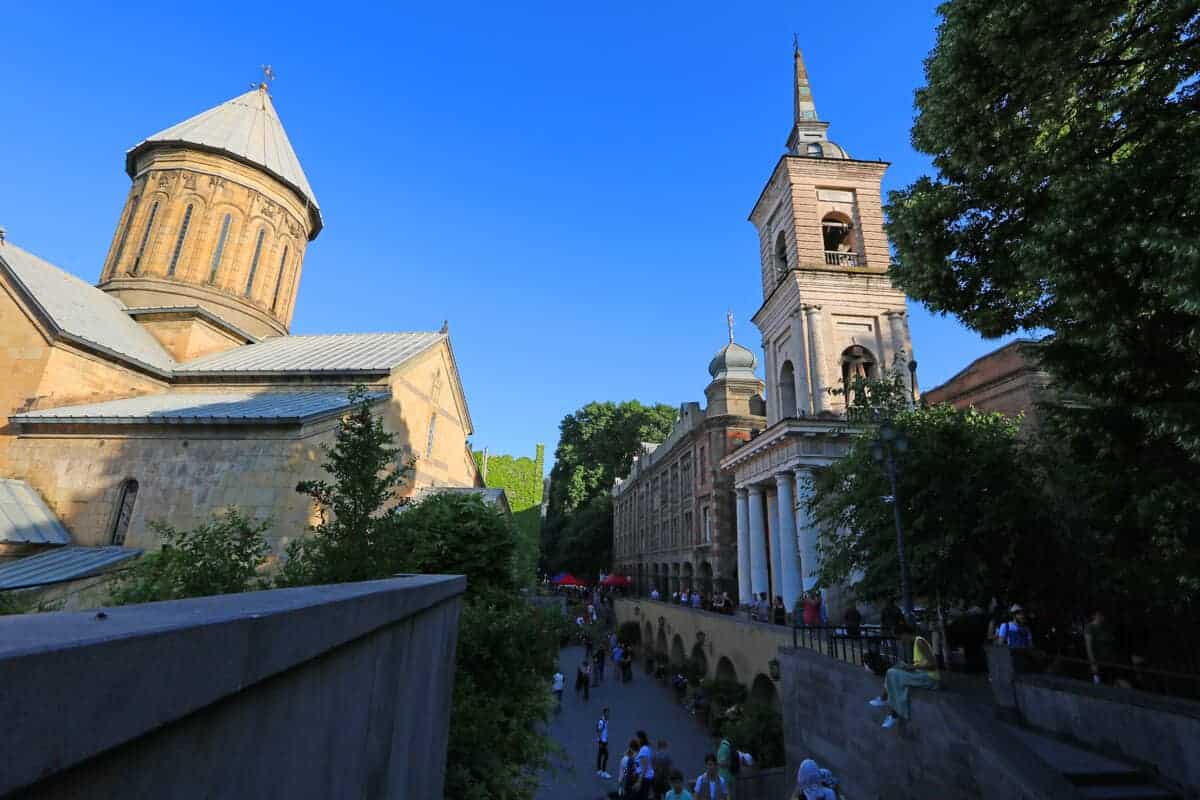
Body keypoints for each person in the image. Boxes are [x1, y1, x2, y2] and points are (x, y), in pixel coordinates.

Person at [870, 635, 940, 728]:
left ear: (905, 634)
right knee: (898, 667)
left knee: (892, 673)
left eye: (900, 638)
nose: (900, 641)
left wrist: (913, 667)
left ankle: (891, 710)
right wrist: (910, 667)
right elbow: (922, 664)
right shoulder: (916, 642)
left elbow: (933, 665)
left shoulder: (919, 642)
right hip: (923, 675)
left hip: (930, 678)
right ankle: (888, 704)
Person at [997, 604, 1035, 672]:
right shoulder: (1005, 626)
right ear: (1014, 615)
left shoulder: (1027, 629)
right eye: (1020, 614)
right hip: (1011, 659)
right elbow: (1000, 645)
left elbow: (1030, 645)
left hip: (1023, 659)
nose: (1023, 616)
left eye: (1024, 614)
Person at [1084, 610, 1117, 685]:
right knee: (1097, 684)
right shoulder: (1090, 627)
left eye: (1102, 615)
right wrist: (1093, 663)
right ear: (1094, 616)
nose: (1101, 617)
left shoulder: (1106, 628)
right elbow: (1088, 647)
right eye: (1098, 615)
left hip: (1109, 662)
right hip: (1097, 663)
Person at [635, 730, 655, 800]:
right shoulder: (645, 748)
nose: (636, 740)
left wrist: (639, 781)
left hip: (644, 779)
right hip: (646, 778)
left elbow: (644, 767)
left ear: (641, 739)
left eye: (637, 738)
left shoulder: (643, 750)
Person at [595, 707, 611, 779]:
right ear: (604, 713)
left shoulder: (606, 720)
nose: (608, 714)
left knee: (600, 755)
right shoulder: (602, 722)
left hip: (604, 741)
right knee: (606, 756)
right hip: (602, 741)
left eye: (608, 712)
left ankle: (599, 770)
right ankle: (603, 772)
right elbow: (598, 731)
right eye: (607, 712)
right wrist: (600, 742)